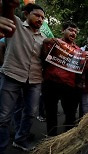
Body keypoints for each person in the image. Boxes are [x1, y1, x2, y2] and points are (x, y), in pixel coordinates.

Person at [0, 2, 46, 153]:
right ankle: (2, 146)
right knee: (4, 116)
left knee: (31, 113)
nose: (40, 19)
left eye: (42, 18)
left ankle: (20, 140)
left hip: (34, 80)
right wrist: (9, 5)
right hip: (11, 76)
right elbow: (8, 10)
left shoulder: (44, 38)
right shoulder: (16, 24)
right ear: (26, 14)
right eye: (37, 15)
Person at [42, 21, 81, 136]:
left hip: (68, 86)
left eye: (75, 31)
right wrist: (45, 43)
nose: (73, 33)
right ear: (63, 31)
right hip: (50, 83)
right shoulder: (53, 43)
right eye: (70, 30)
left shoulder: (79, 51)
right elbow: (43, 58)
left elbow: (83, 69)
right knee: (51, 113)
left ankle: (66, 139)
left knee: (70, 114)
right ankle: (51, 139)